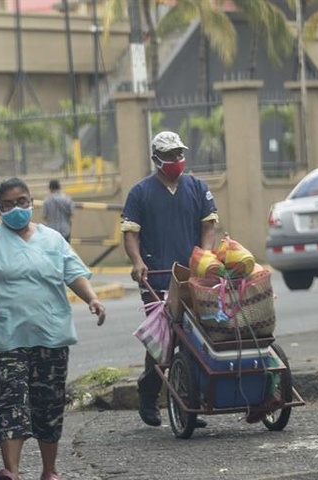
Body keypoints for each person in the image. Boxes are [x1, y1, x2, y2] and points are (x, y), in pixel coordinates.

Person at [0, 177, 106, 480]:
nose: (16, 208)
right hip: (5, 338)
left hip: (50, 335)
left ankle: (49, 471)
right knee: (11, 402)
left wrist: (92, 299)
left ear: (32, 202)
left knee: (48, 405)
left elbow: (73, 273)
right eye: (8, 204)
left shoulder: (52, 239)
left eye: (21, 201)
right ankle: (11, 472)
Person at [120, 131, 218, 428]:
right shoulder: (141, 193)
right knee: (162, 343)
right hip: (157, 277)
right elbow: (130, 234)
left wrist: (206, 258)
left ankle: (187, 402)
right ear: (156, 159)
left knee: (195, 343)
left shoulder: (198, 188)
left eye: (179, 154)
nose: (176, 160)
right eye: (170, 155)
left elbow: (208, 227)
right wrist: (138, 263)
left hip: (192, 278)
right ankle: (148, 393)